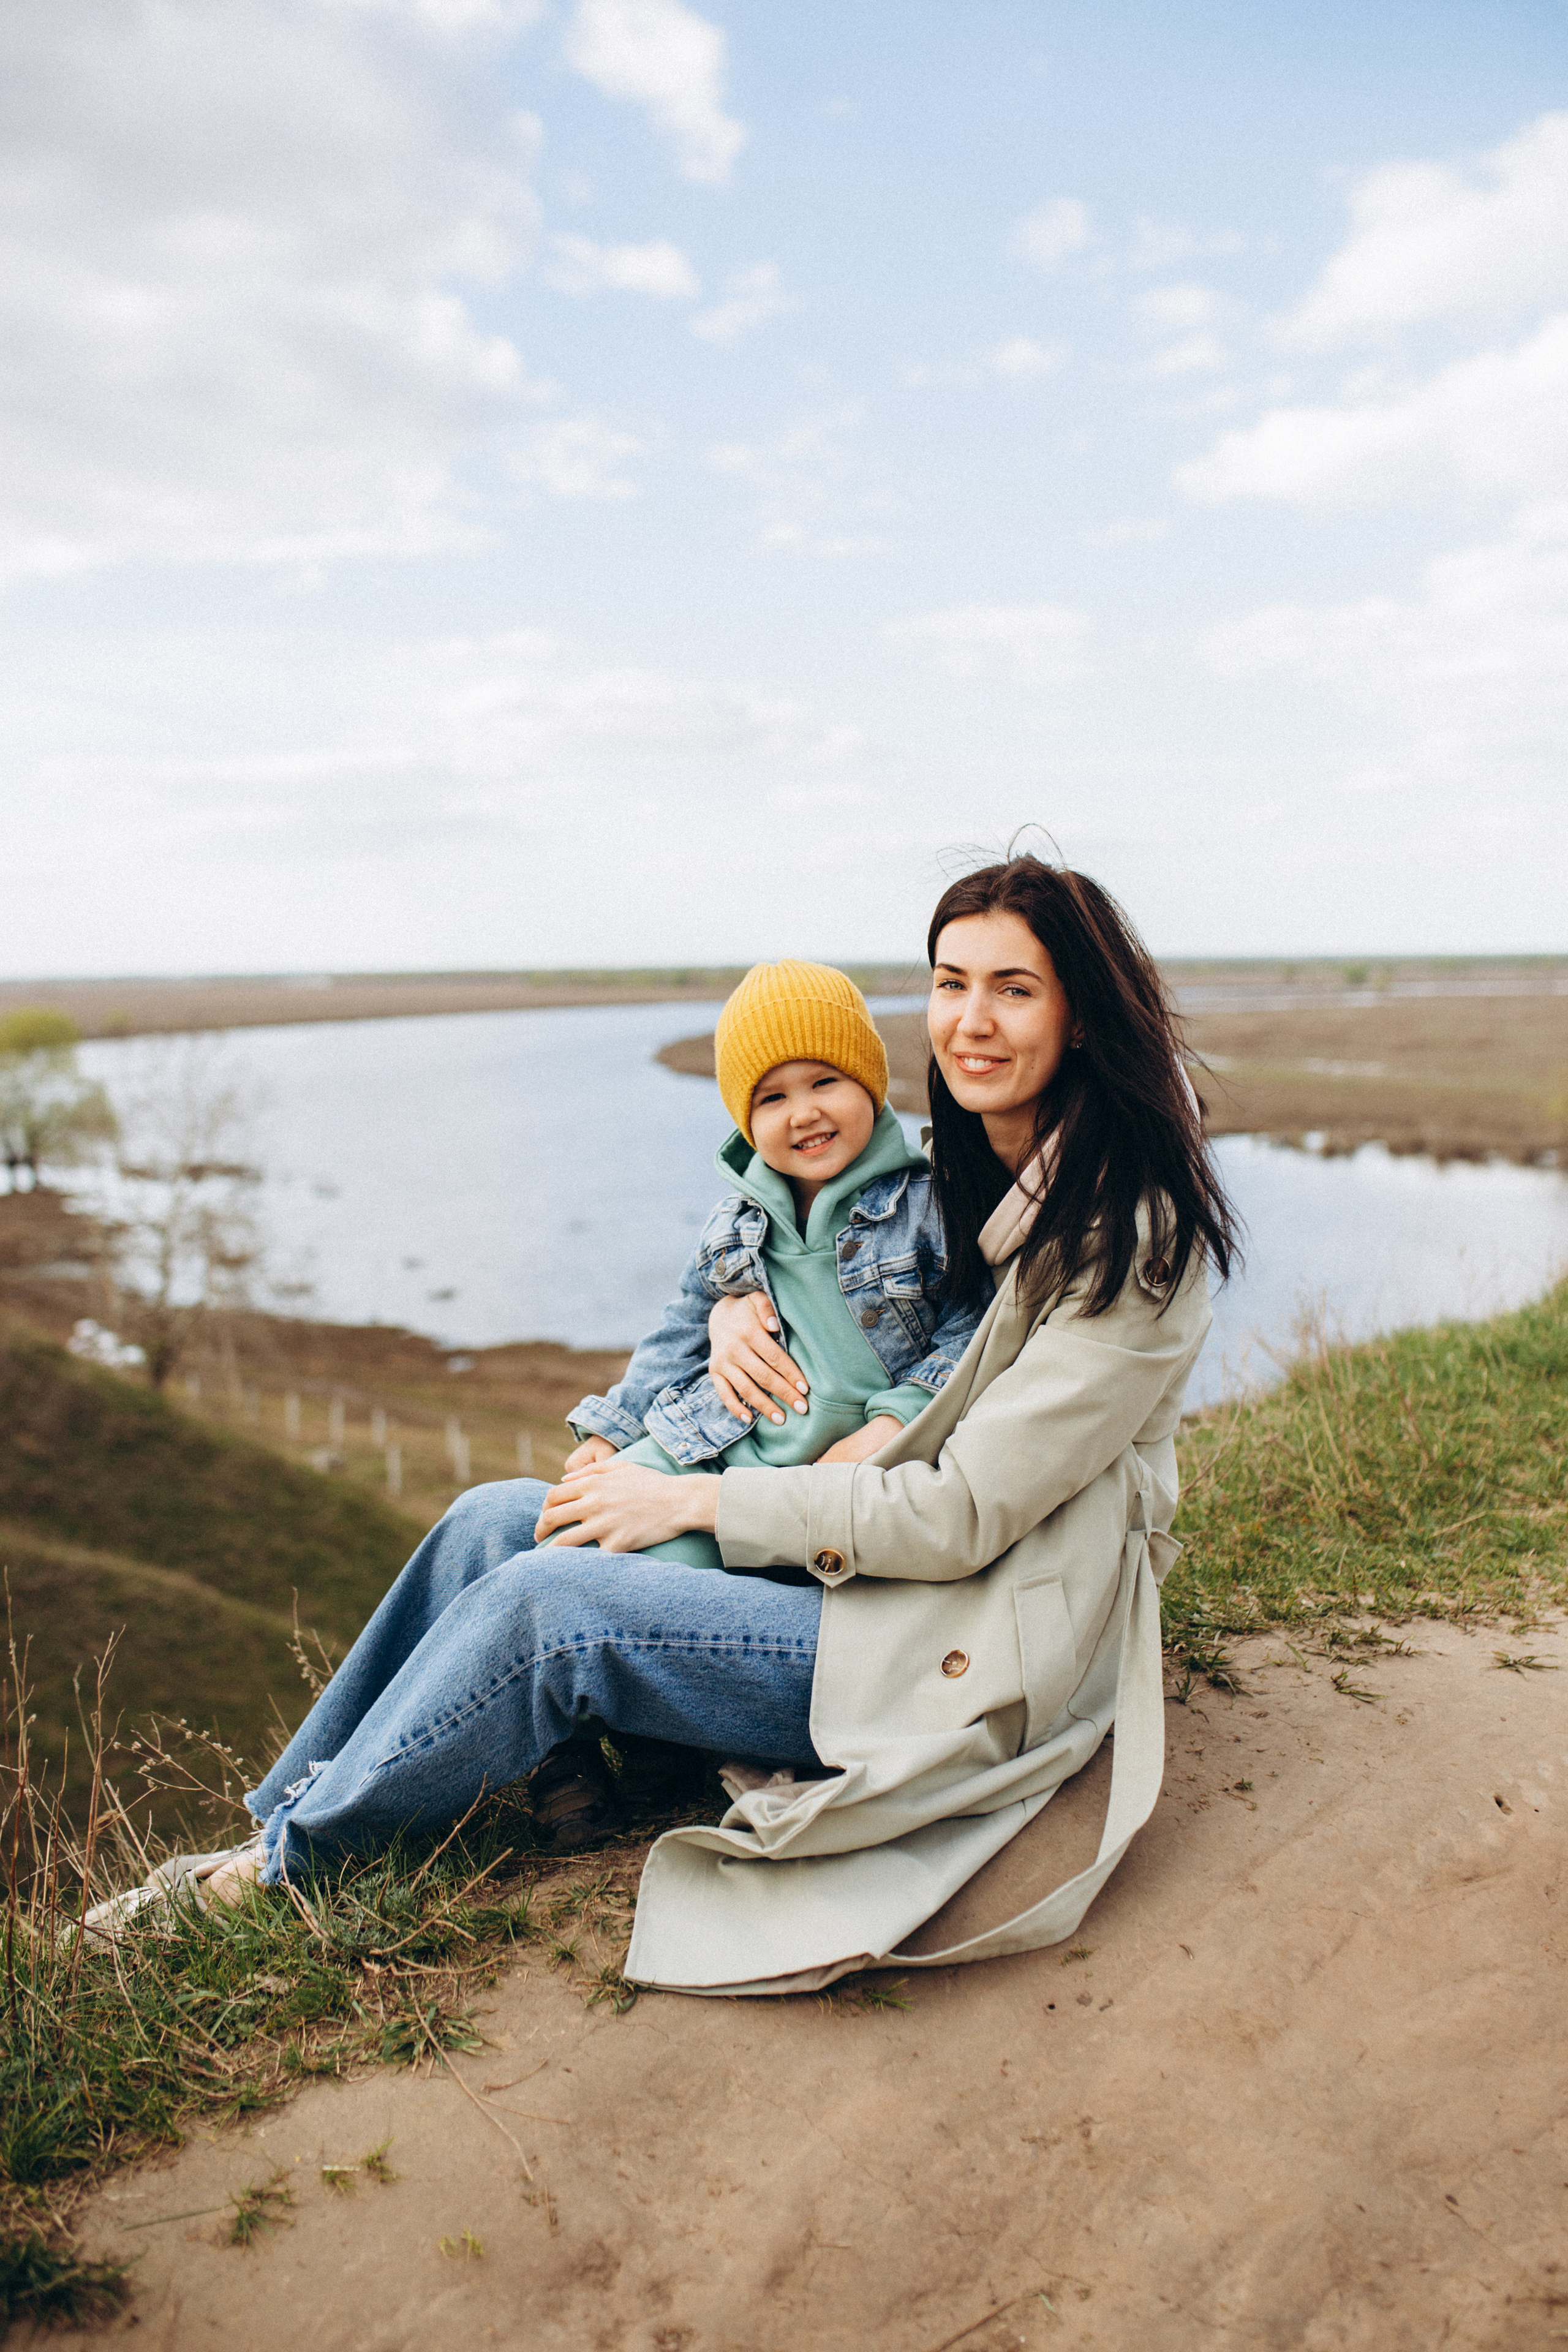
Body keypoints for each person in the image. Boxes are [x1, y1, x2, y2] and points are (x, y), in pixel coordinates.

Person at [167, 854, 1237, 1994]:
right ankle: (269, 1825)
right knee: (495, 1521)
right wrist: (740, 1305)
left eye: (1014, 989)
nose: (971, 1020)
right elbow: (833, 1274)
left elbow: (962, 1514)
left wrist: (692, 1501)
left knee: (553, 1604)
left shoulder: (1131, 1242)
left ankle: (289, 1869)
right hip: (864, 1584)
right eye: (949, 982)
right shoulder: (984, 1171)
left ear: (1080, 1014)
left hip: (954, 1648)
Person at [549, 957, 982, 1575]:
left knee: (621, 1578)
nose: (802, 1113)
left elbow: (971, 1331)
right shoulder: (736, 1224)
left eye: (825, 1082)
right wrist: (611, 1432)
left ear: (871, 1082)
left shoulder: (929, 1208)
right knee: (567, 1529)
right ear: (745, 1121)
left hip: (816, 1490)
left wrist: (893, 1424)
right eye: (773, 1097)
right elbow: (680, 1330)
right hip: (711, 1448)